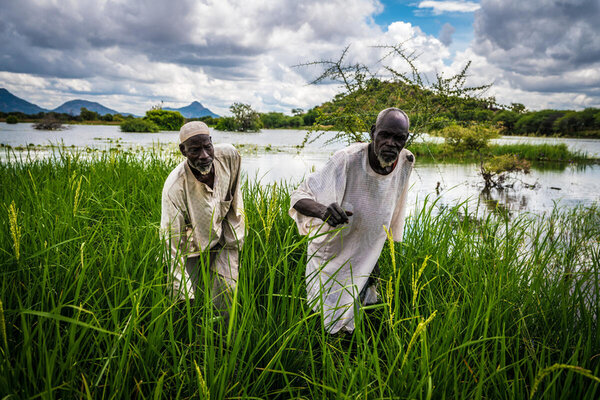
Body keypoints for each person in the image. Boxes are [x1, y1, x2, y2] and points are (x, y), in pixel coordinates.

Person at [289, 107, 414, 334]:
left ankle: (352, 358)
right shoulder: (346, 160)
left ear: (406, 139)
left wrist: (376, 252)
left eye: (399, 138)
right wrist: (323, 210)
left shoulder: (406, 162)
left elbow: (392, 209)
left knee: (359, 316)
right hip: (331, 254)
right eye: (384, 135)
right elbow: (298, 197)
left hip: (366, 253)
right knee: (326, 319)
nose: (391, 143)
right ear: (372, 132)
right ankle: (321, 357)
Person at [161, 121, 244, 316]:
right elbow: (170, 239)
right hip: (191, 248)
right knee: (191, 300)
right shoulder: (175, 187)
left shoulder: (229, 156)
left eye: (207, 147)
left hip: (224, 240)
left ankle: (224, 341)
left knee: (226, 295)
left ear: (212, 142)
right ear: (183, 151)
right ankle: (191, 337)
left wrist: (234, 241)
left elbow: (235, 198)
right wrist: (181, 291)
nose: (204, 156)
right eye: (195, 150)